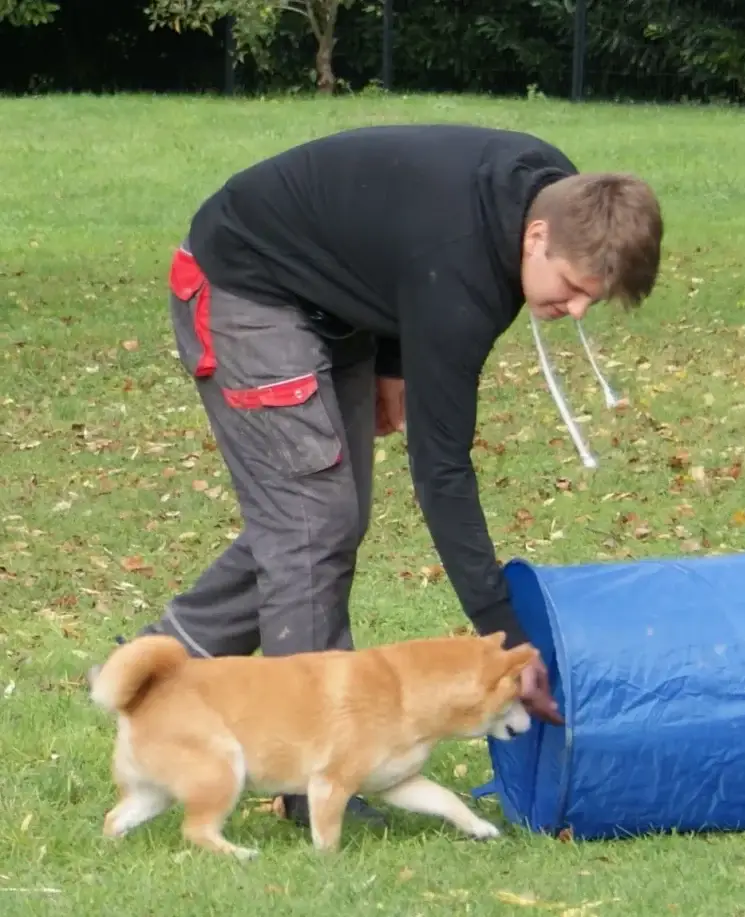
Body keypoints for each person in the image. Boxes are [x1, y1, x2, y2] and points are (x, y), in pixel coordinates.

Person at [135, 122, 663, 829]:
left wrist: (392, 364)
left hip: (337, 299)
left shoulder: (557, 194)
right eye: (571, 288)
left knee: (328, 516)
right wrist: (504, 642)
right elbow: (441, 471)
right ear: (536, 237)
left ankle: (155, 661)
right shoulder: (467, 280)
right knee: (310, 521)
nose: (575, 311)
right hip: (244, 283)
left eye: (591, 299)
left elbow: (396, 236)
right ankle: (315, 775)